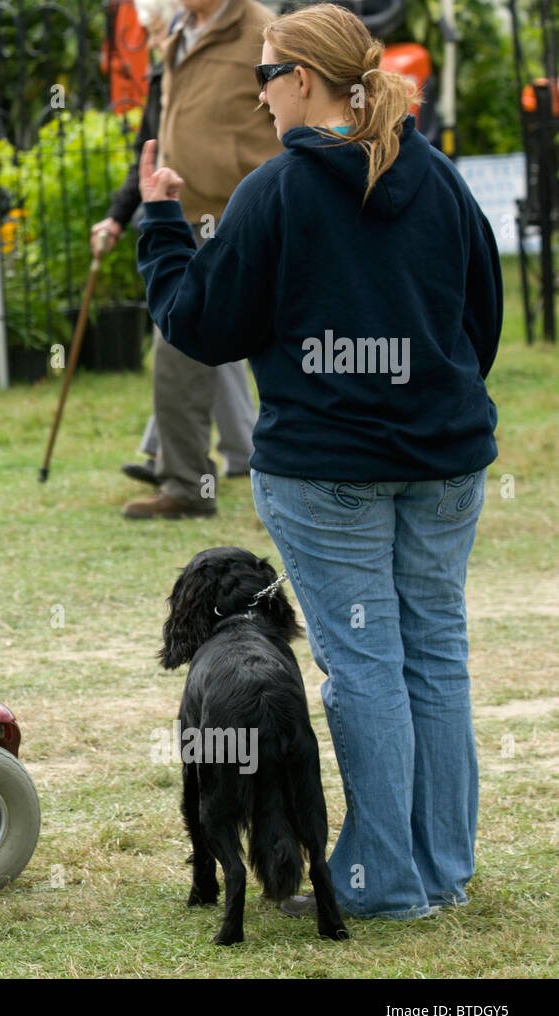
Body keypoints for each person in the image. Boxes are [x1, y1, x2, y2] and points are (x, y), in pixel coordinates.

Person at [136, 2, 501, 919]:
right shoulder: (441, 179)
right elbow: (480, 320)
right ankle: (439, 868)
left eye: (265, 77)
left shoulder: (278, 193)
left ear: (302, 80)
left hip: (329, 466)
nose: (259, 98)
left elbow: (201, 324)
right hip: (444, 456)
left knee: (370, 665)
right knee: (435, 655)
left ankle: (387, 879)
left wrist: (161, 224)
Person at [96, 0, 281, 519]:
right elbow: (159, 126)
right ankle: (186, 486)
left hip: (246, 216)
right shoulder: (181, 31)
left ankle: (325, 469)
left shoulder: (264, 32)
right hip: (188, 216)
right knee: (177, 353)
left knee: (289, 345)